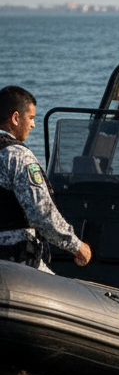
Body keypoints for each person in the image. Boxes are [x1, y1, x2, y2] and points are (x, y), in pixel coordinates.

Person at [0, 85, 91, 272]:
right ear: (15, 118)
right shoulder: (17, 156)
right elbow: (41, 212)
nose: (33, 125)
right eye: (31, 118)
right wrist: (76, 246)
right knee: (67, 291)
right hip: (14, 262)